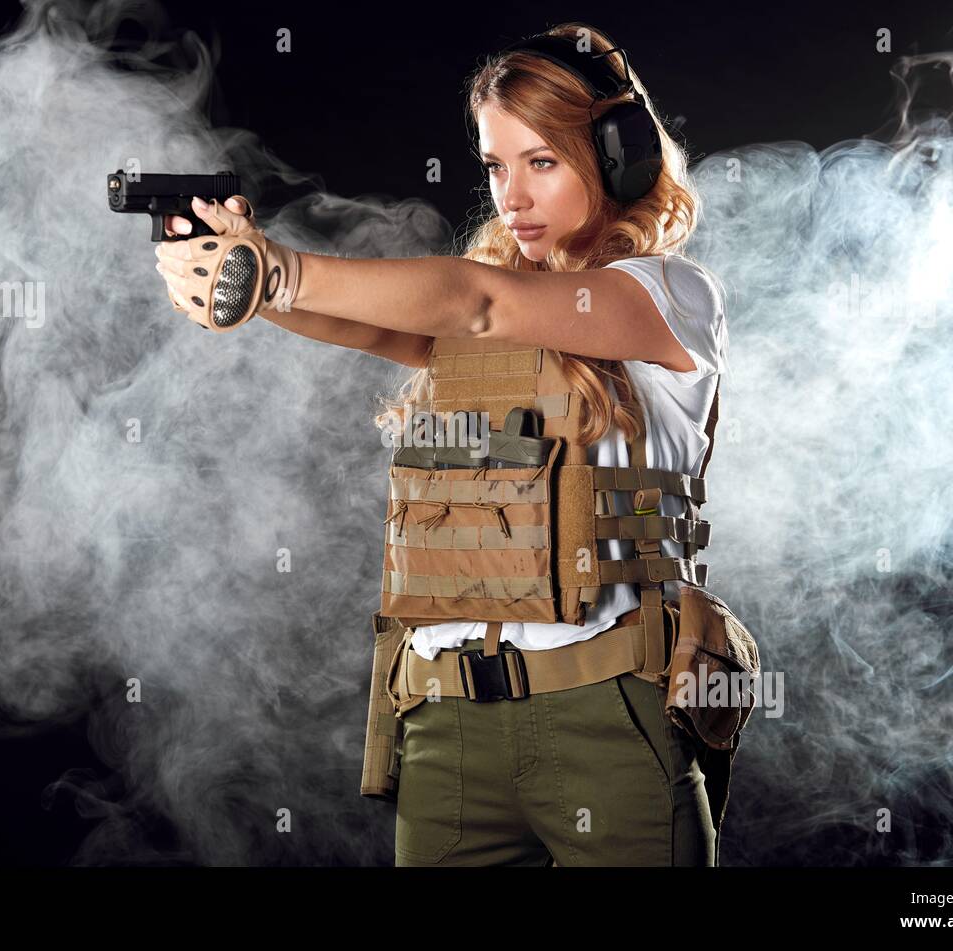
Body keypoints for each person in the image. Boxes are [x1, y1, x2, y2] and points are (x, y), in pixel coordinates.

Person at [154, 21, 737, 866]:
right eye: (497, 166)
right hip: (444, 725)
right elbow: (384, 323)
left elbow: (476, 304)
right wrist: (239, 278)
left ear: (620, 156)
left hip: (604, 715)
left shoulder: (667, 294)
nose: (513, 197)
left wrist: (281, 269)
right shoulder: (492, 295)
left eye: (542, 161)